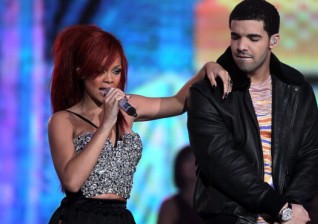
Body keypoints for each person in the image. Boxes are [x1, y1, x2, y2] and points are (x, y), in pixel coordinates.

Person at [47, 24, 232, 224]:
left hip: (121, 217)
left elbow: (178, 102)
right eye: (100, 71)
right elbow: (72, 182)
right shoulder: (63, 120)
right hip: (80, 217)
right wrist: (106, 124)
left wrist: (205, 70)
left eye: (116, 71)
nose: (110, 80)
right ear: (81, 71)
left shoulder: (128, 107)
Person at [186, 0, 318, 223]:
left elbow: (310, 155)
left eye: (253, 38)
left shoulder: (297, 89)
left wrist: (293, 209)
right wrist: (281, 208)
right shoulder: (207, 93)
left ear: (273, 40)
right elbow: (222, 162)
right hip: (233, 216)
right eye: (235, 36)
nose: (241, 46)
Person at [157, 146, 203, 224]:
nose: (194, 164)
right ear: (179, 166)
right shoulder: (170, 206)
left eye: (198, 160)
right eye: (188, 159)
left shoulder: (218, 202)